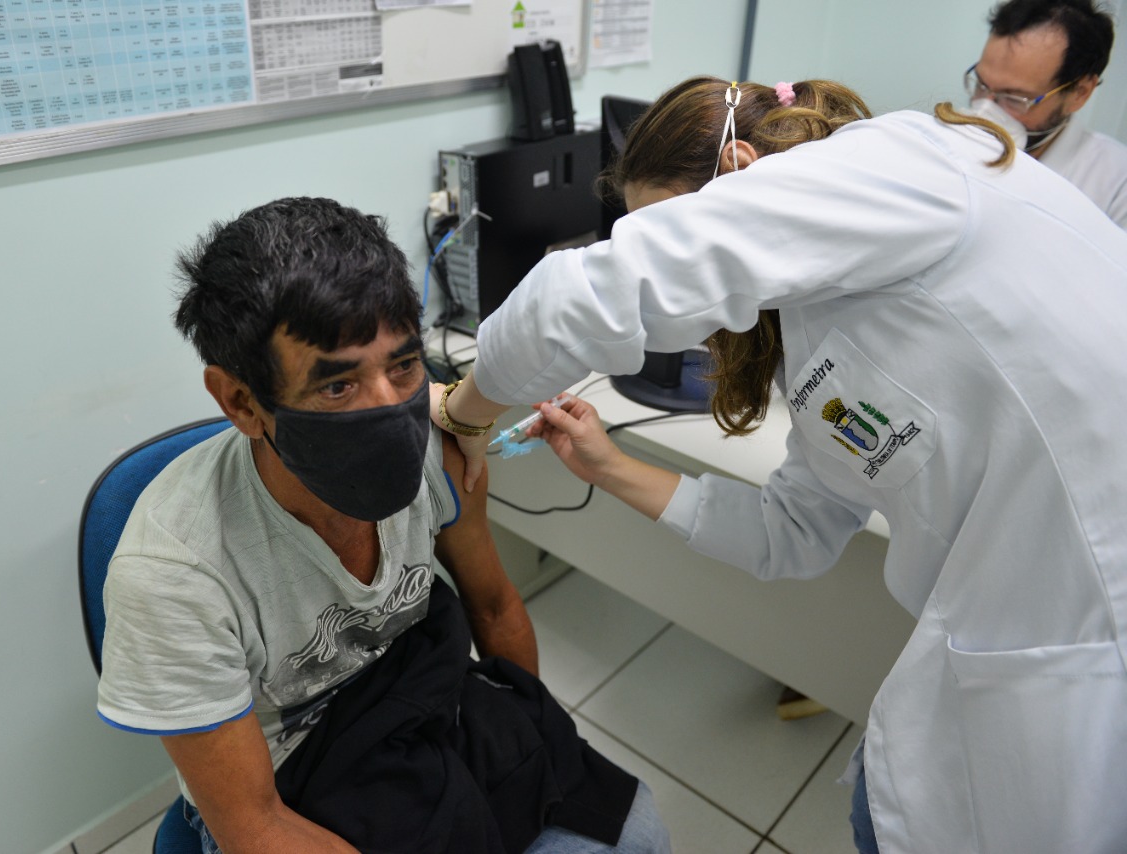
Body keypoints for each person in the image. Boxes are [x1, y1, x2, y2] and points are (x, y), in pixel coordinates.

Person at [434, 77, 1127, 854]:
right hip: (1005, 640)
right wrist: (607, 465)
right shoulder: (828, 305)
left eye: (666, 228)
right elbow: (794, 530)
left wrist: (459, 413)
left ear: (740, 168)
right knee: (890, 802)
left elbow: (577, 298)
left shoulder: (893, 167)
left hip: (1086, 639)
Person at [96, 197, 670, 854]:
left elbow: (493, 603)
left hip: (419, 696)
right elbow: (253, 824)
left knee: (636, 830)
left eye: (402, 367)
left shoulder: (438, 451)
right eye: (338, 388)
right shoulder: (173, 575)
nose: (391, 411)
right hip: (298, 774)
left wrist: (533, 740)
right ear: (242, 402)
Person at [966, 0, 1127, 227]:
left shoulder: (1117, 187)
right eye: (981, 85)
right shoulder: (954, 147)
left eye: (1014, 98)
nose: (984, 110)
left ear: (1079, 93)